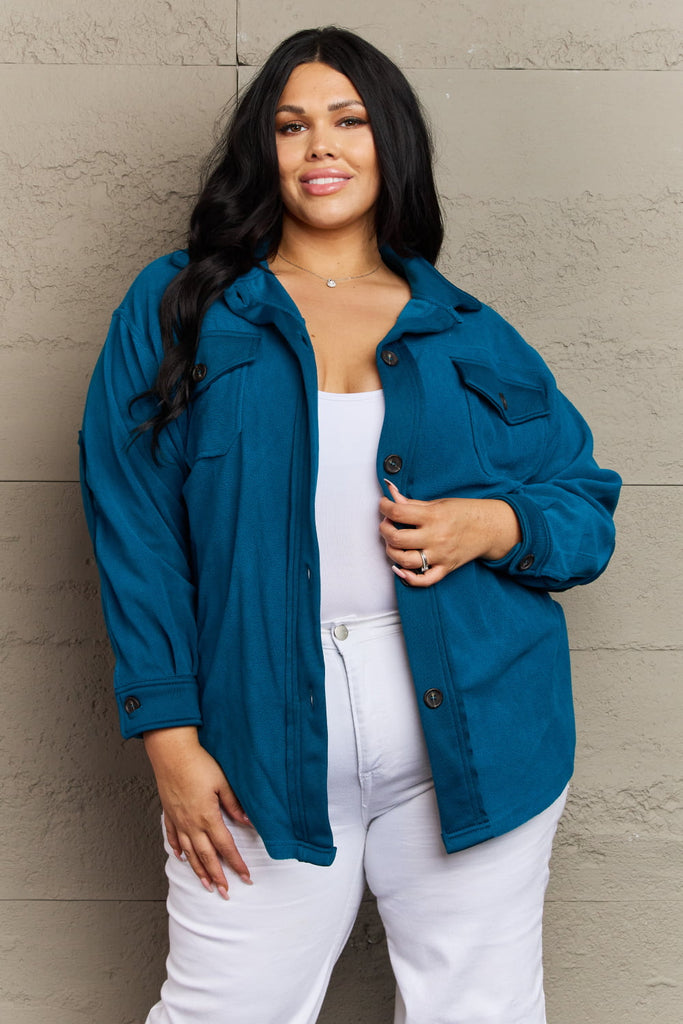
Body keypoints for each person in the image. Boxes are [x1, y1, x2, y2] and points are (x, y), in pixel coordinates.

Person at [79, 25, 621, 1024]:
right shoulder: (181, 306)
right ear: (264, 149)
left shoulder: (465, 329)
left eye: (348, 120)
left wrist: (495, 523)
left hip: (478, 727)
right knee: (222, 1009)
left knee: (480, 1012)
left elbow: (582, 504)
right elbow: (135, 524)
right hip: (255, 730)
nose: (318, 146)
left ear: (390, 143)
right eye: (290, 125)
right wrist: (168, 736)